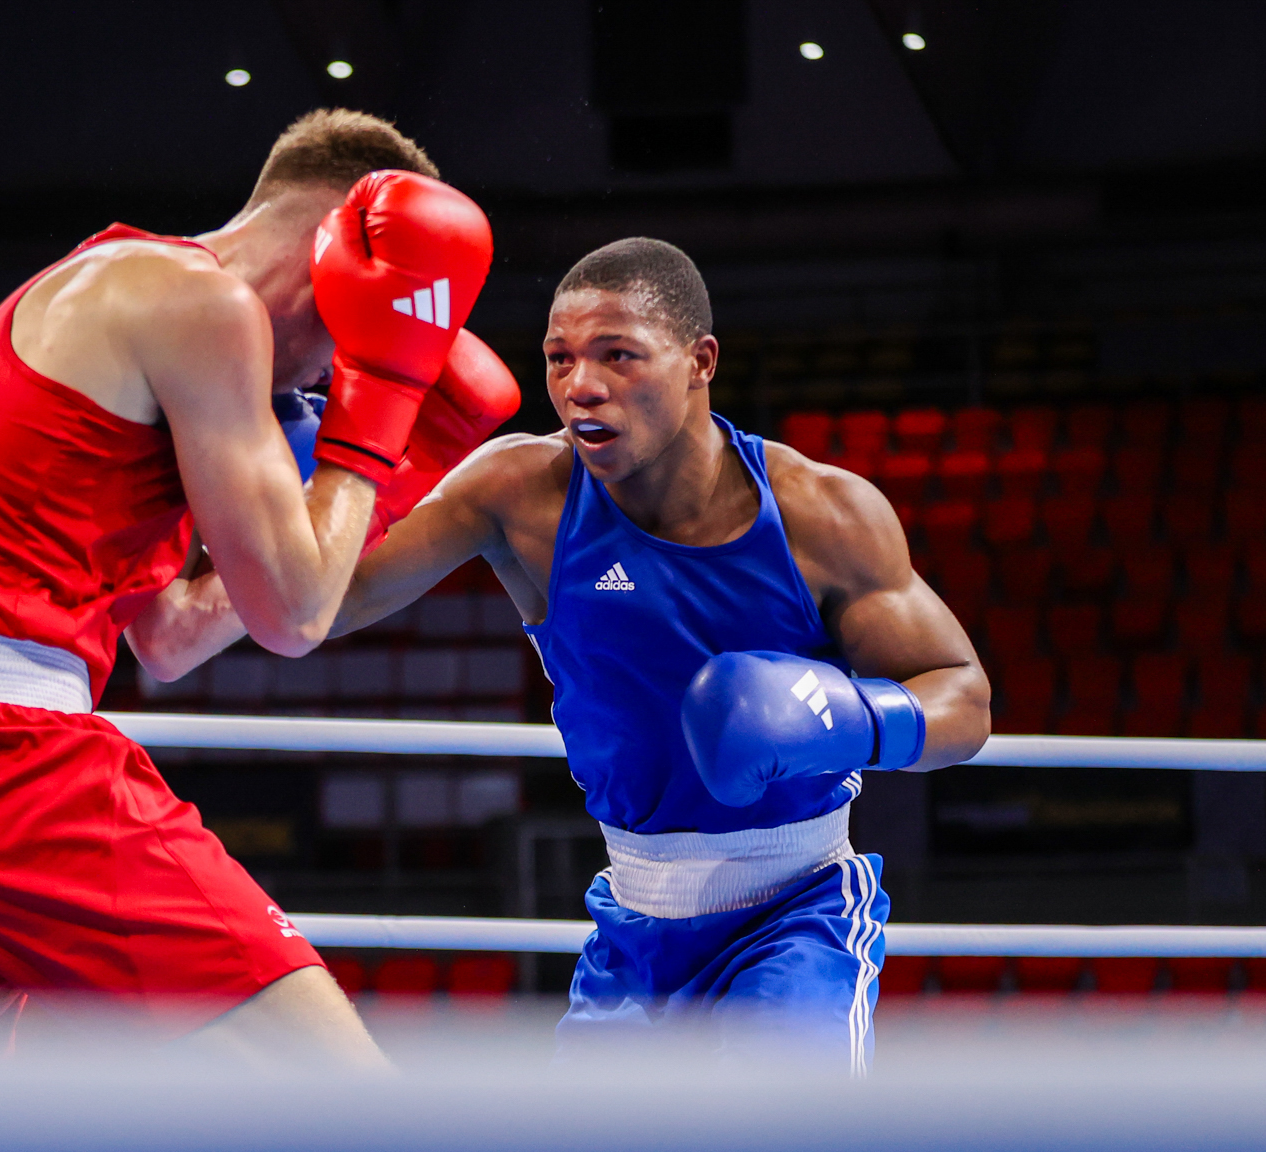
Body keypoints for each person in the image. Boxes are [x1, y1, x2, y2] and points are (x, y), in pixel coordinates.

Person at [0, 109, 505, 1067]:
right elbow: (296, 613)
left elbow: (173, 636)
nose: (320, 384)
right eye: (350, 344)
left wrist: (381, 480)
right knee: (329, 1072)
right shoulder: (202, 307)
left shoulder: (107, 293)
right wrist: (383, 426)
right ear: (339, 254)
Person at [173, 237, 991, 1071]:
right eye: (558, 359)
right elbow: (321, 603)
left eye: (617, 355)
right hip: (632, 924)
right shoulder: (518, 493)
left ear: (699, 361)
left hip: (797, 913)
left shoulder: (821, 515)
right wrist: (259, 463)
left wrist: (848, 720)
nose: (579, 386)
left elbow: (961, 696)